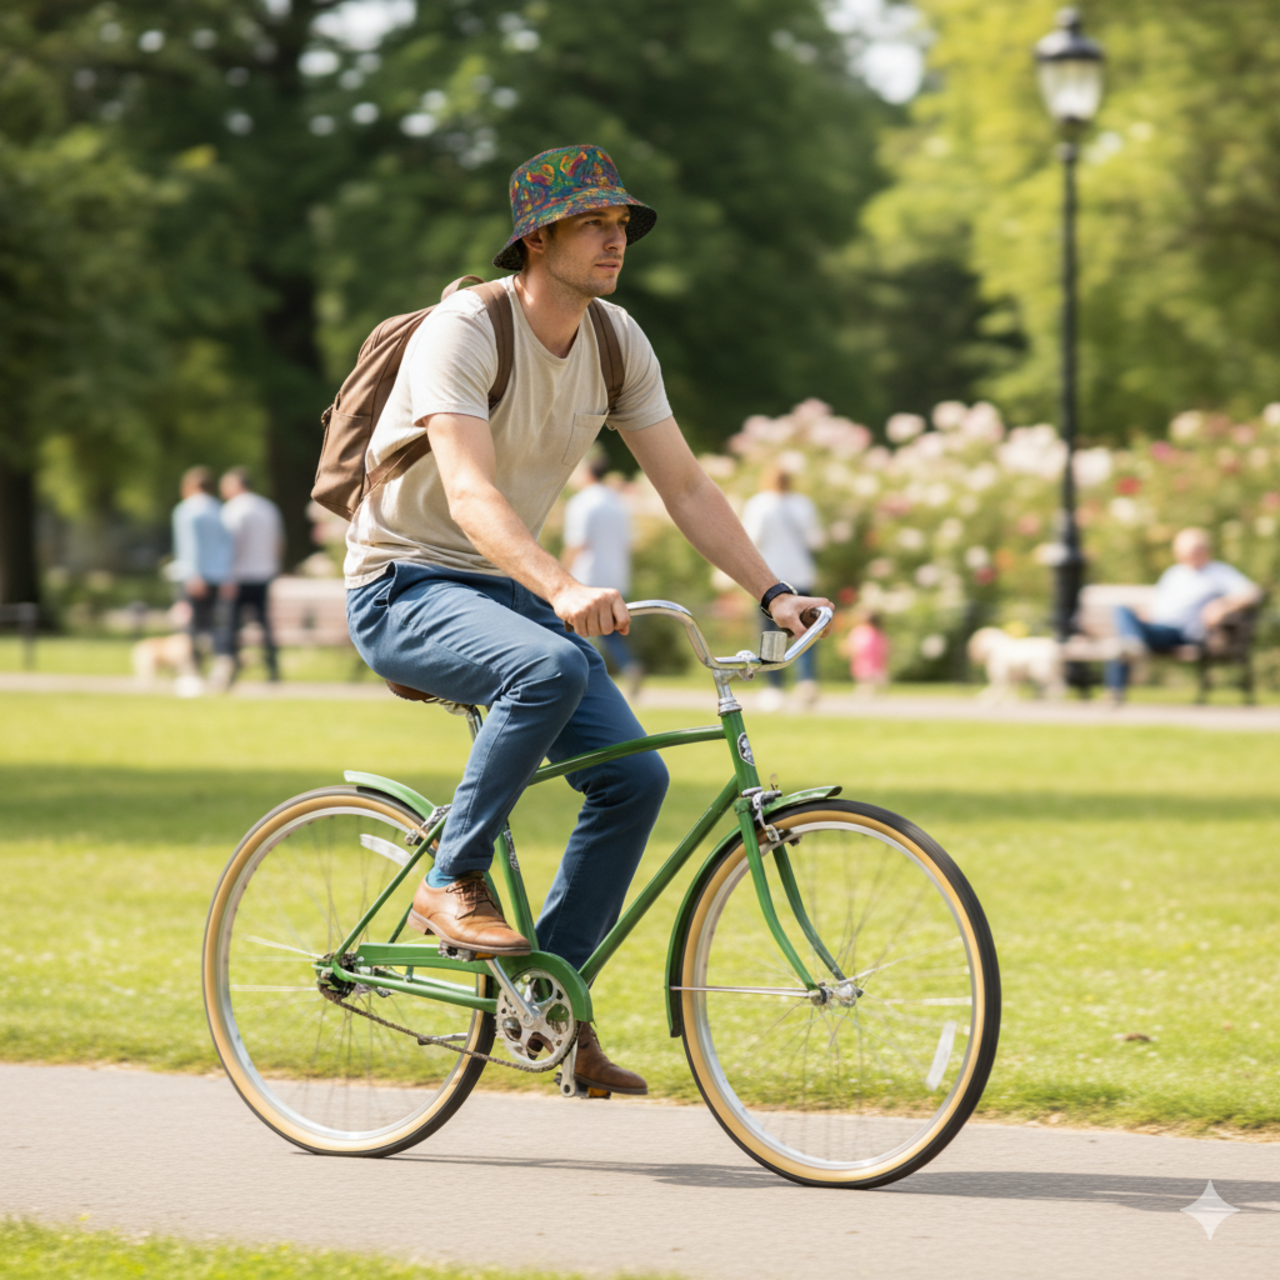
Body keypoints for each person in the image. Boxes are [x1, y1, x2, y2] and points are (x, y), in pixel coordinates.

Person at [343, 144, 831, 1095]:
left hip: (500, 588)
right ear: (537, 239)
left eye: (622, 224)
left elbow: (684, 483)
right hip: (403, 584)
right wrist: (561, 587)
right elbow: (471, 491)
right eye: (593, 223)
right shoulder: (466, 329)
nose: (616, 238)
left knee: (635, 779)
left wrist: (774, 590)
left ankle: (546, 1008)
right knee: (549, 668)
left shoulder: (615, 341)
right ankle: (450, 880)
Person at [1105, 526, 1262, 703]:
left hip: (1181, 633)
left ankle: (1132, 646)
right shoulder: (1173, 573)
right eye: (1185, 551)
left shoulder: (1218, 572)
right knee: (1122, 612)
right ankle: (1129, 654)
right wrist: (1144, 617)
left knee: (1126, 642)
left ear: (1206, 550)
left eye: (1195, 550)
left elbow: (1252, 592)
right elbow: (1157, 606)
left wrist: (1222, 604)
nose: (1190, 555)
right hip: (1158, 627)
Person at [741, 465, 825, 710]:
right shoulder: (803, 505)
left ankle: (774, 687)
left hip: (770, 580)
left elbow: (752, 540)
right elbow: (816, 540)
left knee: (771, 633)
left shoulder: (759, 505)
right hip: (801, 576)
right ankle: (806, 680)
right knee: (806, 630)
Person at [562, 451, 643, 698]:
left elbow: (578, 543)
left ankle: (584, 678)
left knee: (575, 630)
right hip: (616, 575)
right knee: (610, 631)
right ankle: (629, 667)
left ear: (587, 473)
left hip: (586, 576)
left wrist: (560, 575)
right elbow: (629, 542)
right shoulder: (617, 503)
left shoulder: (582, 503)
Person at [169, 466, 235, 693]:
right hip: (218, 575)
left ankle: (193, 671)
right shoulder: (219, 509)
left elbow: (188, 545)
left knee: (192, 625)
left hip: (195, 575)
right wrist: (227, 575)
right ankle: (220, 667)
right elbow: (226, 546)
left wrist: (193, 573)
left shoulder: (187, 510)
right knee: (215, 624)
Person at [220, 467, 285, 682]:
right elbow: (278, 542)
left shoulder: (233, 510)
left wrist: (226, 574)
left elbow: (230, 546)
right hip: (264, 572)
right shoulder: (268, 508)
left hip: (239, 575)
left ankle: (231, 669)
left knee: (232, 625)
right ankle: (272, 669)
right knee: (264, 625)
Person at [841, 610, 889, 697]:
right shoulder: (862, 631)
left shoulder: (874, 632)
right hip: (864, 661)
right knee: (866, 679)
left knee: (871, 678)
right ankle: (867, 693)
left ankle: (870, 693)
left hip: (871, 661)